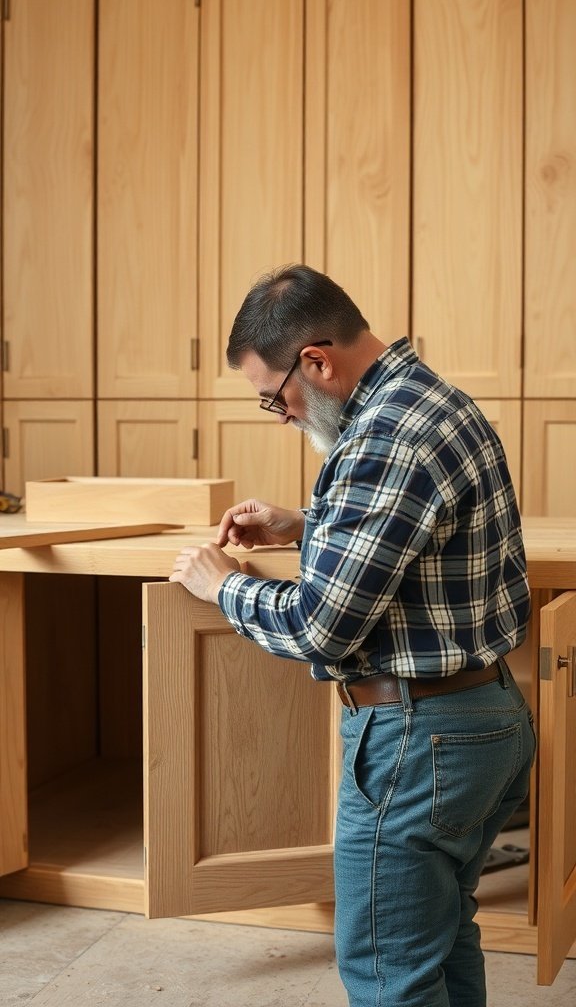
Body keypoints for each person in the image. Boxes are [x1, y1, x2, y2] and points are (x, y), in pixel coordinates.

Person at [169, 264, 536, 1007]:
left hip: (416, 736)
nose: (280, 414)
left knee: (387, 975)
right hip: (484, 719)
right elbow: (426, 536)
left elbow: (322, 629)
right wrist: (307, 525)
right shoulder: (430, 399)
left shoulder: (383, 438)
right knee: (438, 941)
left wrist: (223, 585)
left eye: (276, 397)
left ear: (316, 361)